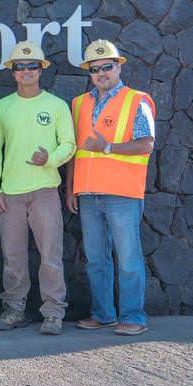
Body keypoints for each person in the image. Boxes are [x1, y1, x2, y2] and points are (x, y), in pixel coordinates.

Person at [0, 41, 75, 336]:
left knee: (50, 255)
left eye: (32, 66)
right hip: (10, 194)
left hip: (45, 190)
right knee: (13, 257)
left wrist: (50, 159)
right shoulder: (2, 108)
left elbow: (69, 144)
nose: (26, 71)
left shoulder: (56, 106)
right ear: (13, 72)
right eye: (20, 67)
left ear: (41, 69)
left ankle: (53, 312)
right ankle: (14, 310)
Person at [66, 39, 156, 336]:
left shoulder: (137, 100)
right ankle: (103, 314)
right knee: (96, 259)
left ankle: (133, 317)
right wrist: (71, 188)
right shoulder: (79, 103)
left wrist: (107, 147)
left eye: (107, 66)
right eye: (94, 69)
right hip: (88, 193)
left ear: (119, 67)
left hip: (122, 192)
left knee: (128, 259)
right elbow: (75, 151)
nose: (101, 73)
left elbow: (146, 144)